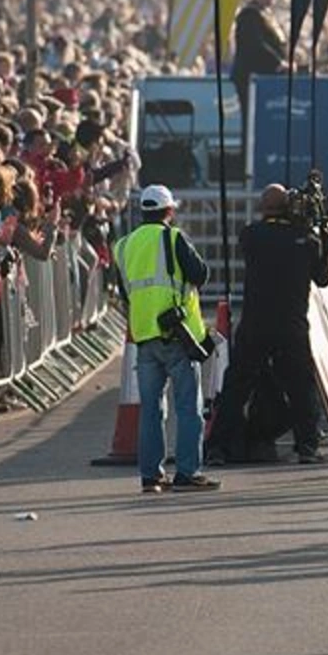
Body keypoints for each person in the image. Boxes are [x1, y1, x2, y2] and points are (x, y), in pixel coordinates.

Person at [207, 184, 328, 464]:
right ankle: (307, 446)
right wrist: (323, 239)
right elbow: (323, 278)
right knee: (301, 386)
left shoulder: (251, 236)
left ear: (263, 208)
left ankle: (218, 447)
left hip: (255, 324)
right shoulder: (306, 239)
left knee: (236, 387)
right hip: (292, 325)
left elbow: (261, 241)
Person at [114, 185, 218, 493]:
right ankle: (187, 472)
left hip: (144, 336)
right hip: (177, 333)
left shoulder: (124, 246)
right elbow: (200, 274)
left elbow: (125, 292)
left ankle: (151, 476)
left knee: (151, 409)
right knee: (188, 406)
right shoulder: (173, 237)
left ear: (143, 211)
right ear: (169, 211)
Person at [229, 0, 285, 114]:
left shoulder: (266, 15)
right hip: (251, 79)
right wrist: (278, 62)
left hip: (267, 77)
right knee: (251, 118)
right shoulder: (249, 15)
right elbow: (255, 45)